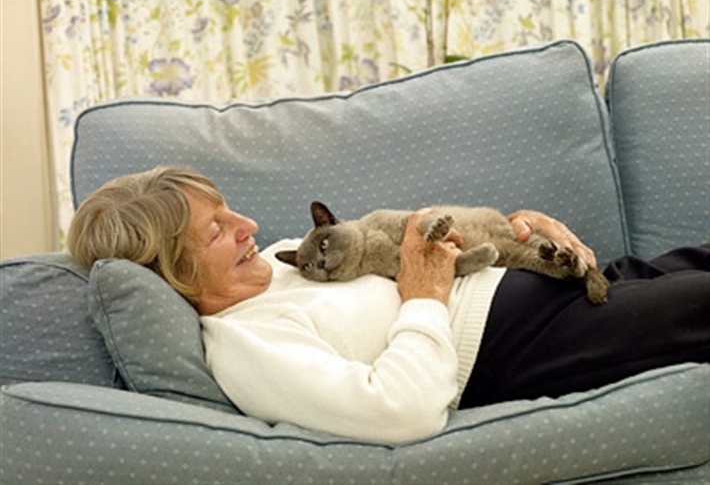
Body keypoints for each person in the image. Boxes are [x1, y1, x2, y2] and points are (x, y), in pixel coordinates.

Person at [68, 166, 709, 444]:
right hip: (519, 342)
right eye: (216, 230)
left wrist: (513, 229)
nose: (248, 224)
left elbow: (411, 241)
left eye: (228, 208)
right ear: (172, 272)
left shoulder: (293, 256)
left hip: (547, 286)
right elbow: (396, 412)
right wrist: (425, 297)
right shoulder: (244, 346)